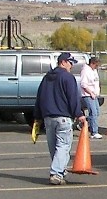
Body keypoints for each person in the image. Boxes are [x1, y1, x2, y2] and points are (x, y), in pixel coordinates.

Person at [34, 52, 86, 185]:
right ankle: (56, 173)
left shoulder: (46, 78)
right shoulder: (68, 78)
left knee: (54, 148)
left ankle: (60, 171)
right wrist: (79, 114)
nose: (71, 66)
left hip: (48, 118)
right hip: (63, 117)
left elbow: (40, 98)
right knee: (63, 146)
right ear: (63, 62)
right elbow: (73, 98)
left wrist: (37, 117)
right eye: (70, 63)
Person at [79, 56, 103, 139]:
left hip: (94, 95)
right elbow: (83, 84)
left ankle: (82, 122)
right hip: (88, 95)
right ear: (92, 63)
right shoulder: (85, 71)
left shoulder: (94, 71)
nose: (97, 67)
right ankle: (94, 132)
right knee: (93, 112)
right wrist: (91, 93)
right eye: (96, 65)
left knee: (97, 112)